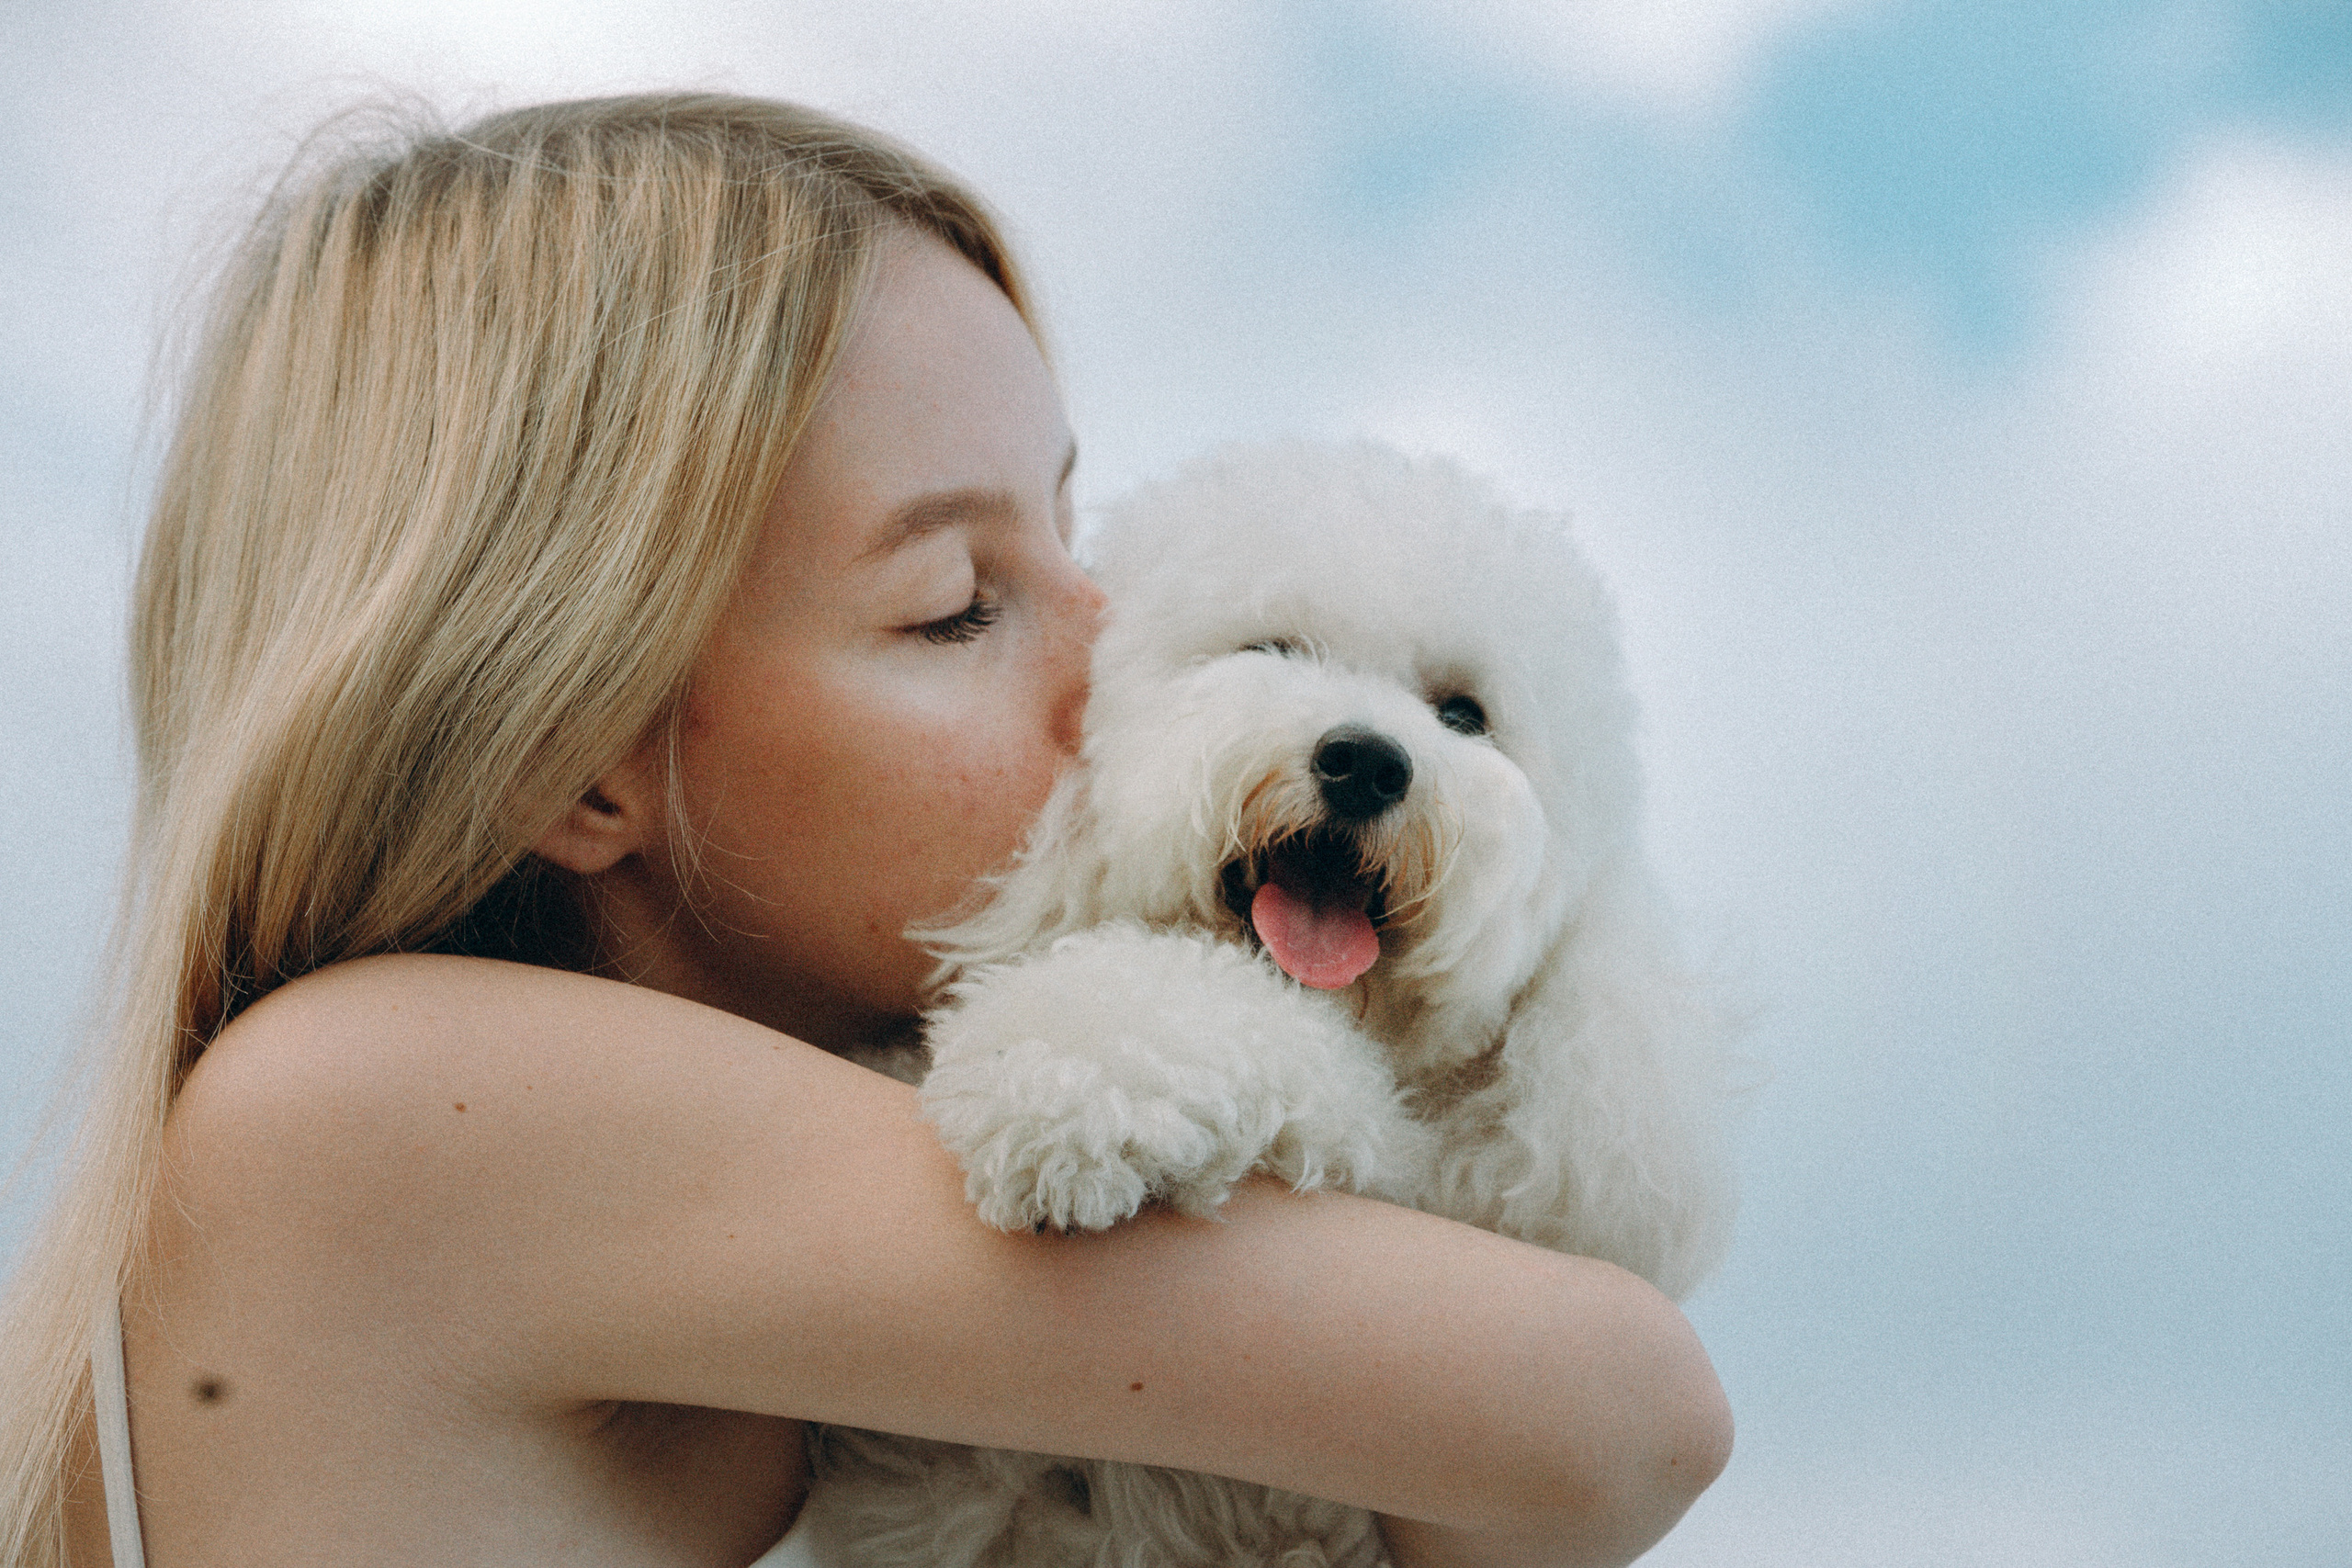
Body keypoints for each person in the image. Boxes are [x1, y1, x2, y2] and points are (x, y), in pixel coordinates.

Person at [0, 95, 1730, 1567]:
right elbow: (1613, 1413)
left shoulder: (743, 1271)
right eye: (964, 604)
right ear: (573, 764)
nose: (1118, 643)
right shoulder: (381, 1096)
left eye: (1073, 525)